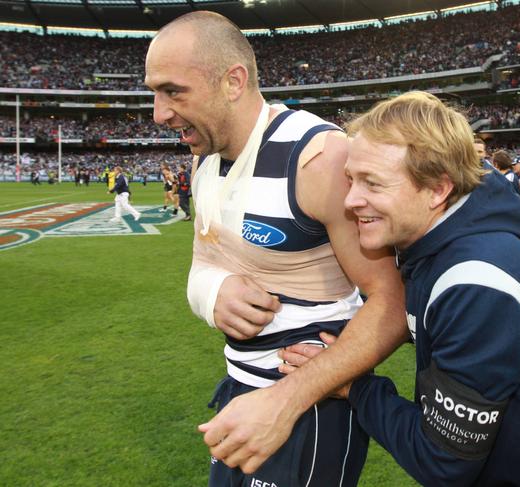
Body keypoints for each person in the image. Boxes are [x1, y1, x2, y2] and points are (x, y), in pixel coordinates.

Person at [284, 92, 520, 486]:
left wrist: (353, 387)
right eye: (350, 180)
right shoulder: (434, 246)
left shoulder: (477, 285)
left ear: (437, 189)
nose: (350, 200)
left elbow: (443, 461)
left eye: (372, 183)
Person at [145, 11, 406, 487]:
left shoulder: (318, 158)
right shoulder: (205, 159)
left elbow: (391, 301)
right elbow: (205, 259)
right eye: (154, 93)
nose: (159, 113)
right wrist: (212, 292)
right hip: (241, 391)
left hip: (311, 405)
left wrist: (285, 401)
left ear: (233, 81)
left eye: (173, 91)